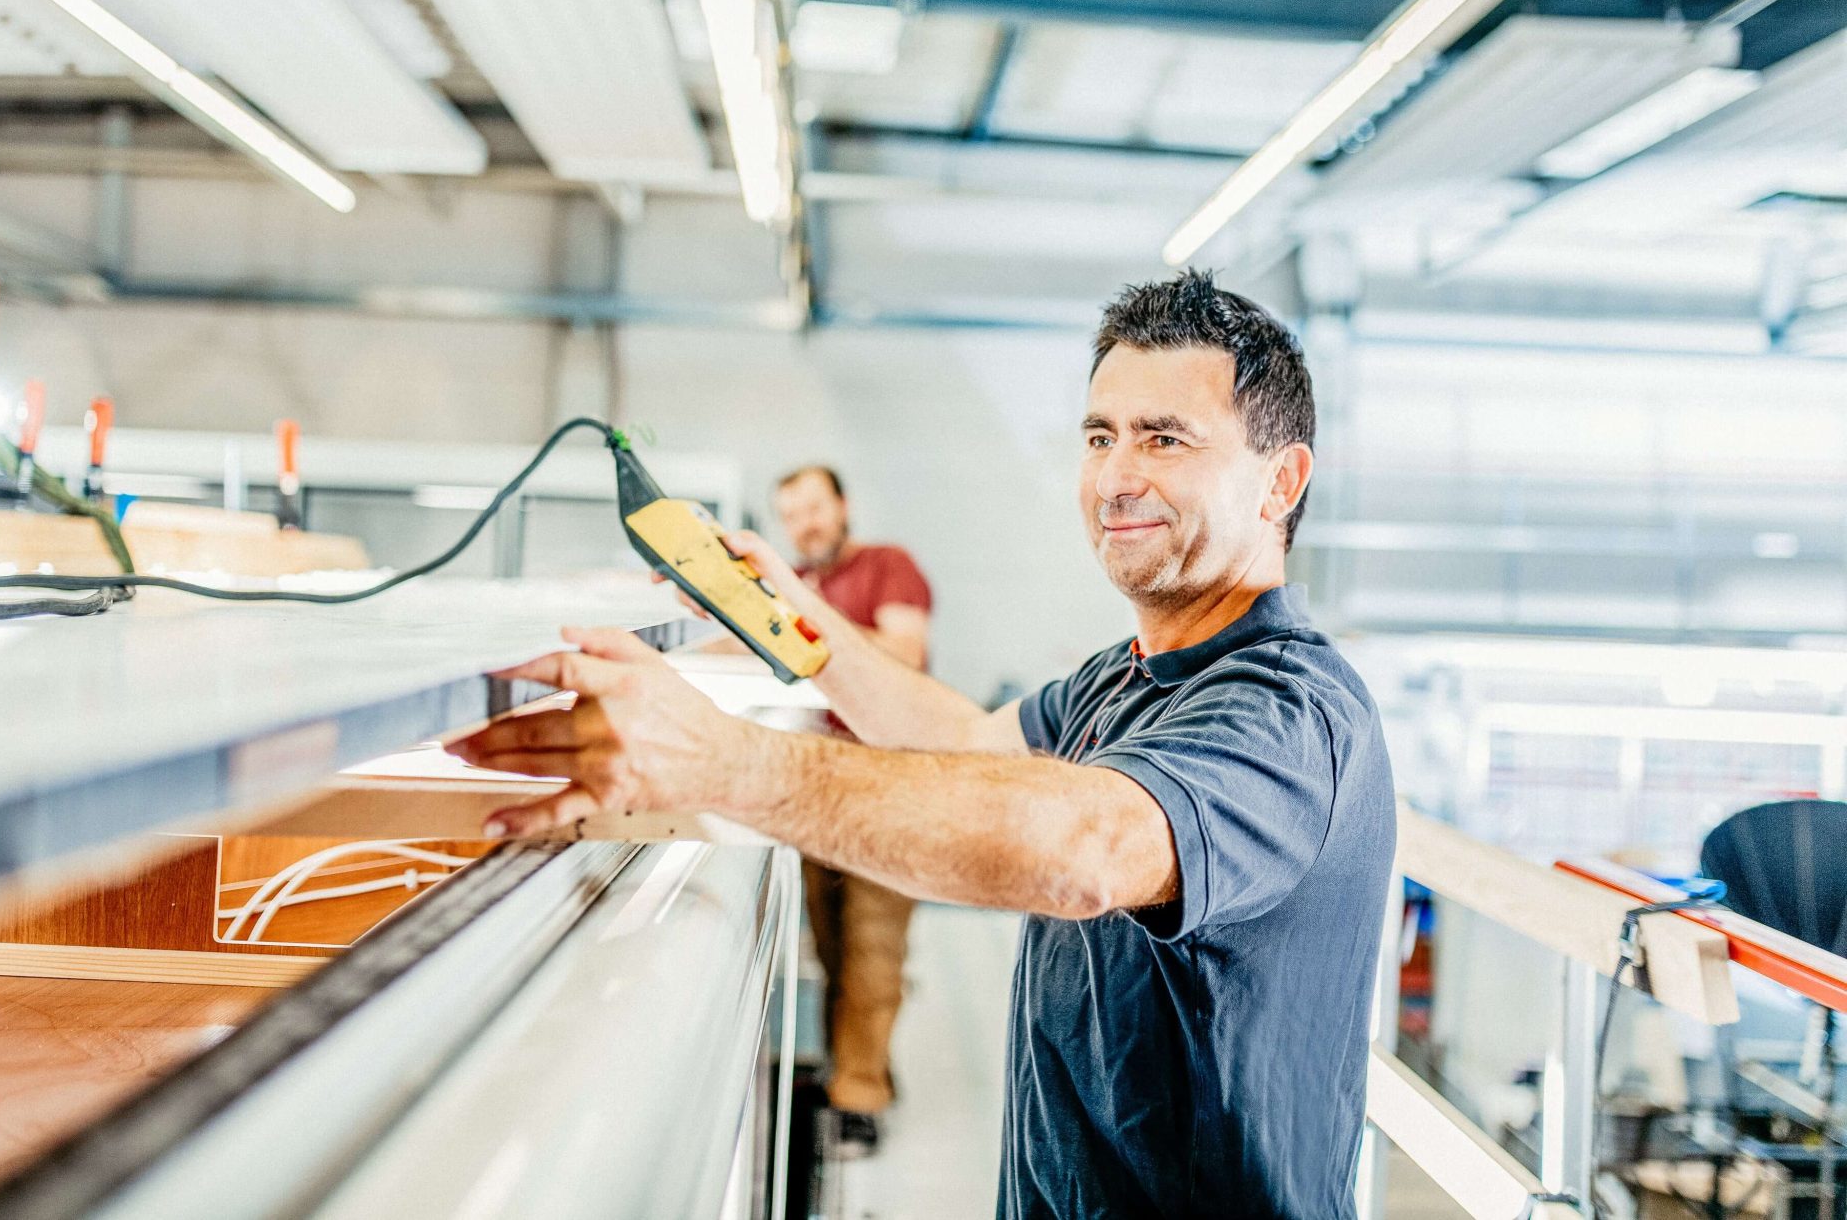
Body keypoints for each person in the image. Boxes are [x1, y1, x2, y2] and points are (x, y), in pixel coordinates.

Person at [455, 271, 1397, 1219]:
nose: (1116, 477)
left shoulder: (1289, 709)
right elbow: (968, 742)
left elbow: (1085, 851)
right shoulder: (1129, 673)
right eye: (1100, 437)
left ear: (1282, 481)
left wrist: (723, 761)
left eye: (1164, 439)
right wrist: (786, 616)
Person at [772, 463, 933, 1157]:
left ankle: (859, 1100)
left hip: (890, 782)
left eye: (815, 505)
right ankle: (864, 1068)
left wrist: (806, 625)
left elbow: (906, 649)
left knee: (873, 949)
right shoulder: (800, 587)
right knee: (832, 948)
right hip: (821, 784)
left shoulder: (887, 565)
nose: (806, 522)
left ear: (844, 504)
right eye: (792, 513)